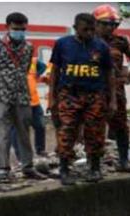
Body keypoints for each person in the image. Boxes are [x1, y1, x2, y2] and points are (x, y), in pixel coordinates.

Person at [48, 13, 115, 185]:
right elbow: (55, 72)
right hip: (69, 94)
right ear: (75, 27)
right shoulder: (63, 44)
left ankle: (94, 168)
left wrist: (112, 99)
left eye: (92, 29)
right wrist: (52, 98)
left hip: (95, 95)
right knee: (66, 131)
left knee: (95, 132)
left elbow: (109, 74)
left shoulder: (101, 46)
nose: (90, 33)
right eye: (85, 29)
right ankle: (64, 168)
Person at [0, 12, 45, 183]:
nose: (20, 32)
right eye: (16, 28)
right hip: (0, 97)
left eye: (23, 29)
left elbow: (25, 70)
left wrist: (19, 88)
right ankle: (3, 169)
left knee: (24, 133)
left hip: (21, 97)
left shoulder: (28, 47)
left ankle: (28, 167)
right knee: (2, 134)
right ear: (7, 27)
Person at [94, 4, 130, 173]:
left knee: (121, 126)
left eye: (113, 24)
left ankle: (123, 160)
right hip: (92, 90)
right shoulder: (88, 40)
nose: (110, 27)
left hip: (115, 90)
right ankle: (94, 165)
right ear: (96, 23)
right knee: (94, 127)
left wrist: (128, 78)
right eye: (106, 23)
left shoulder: (120, 41)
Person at [9, 57, 48, 160]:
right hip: (18, 103)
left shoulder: (33, 61)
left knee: (40, 126)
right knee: (17, 129)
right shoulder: (9, 61)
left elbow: (43, 66)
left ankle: (40, 149)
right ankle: (20, 155)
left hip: (34, 102)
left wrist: (37, 74)